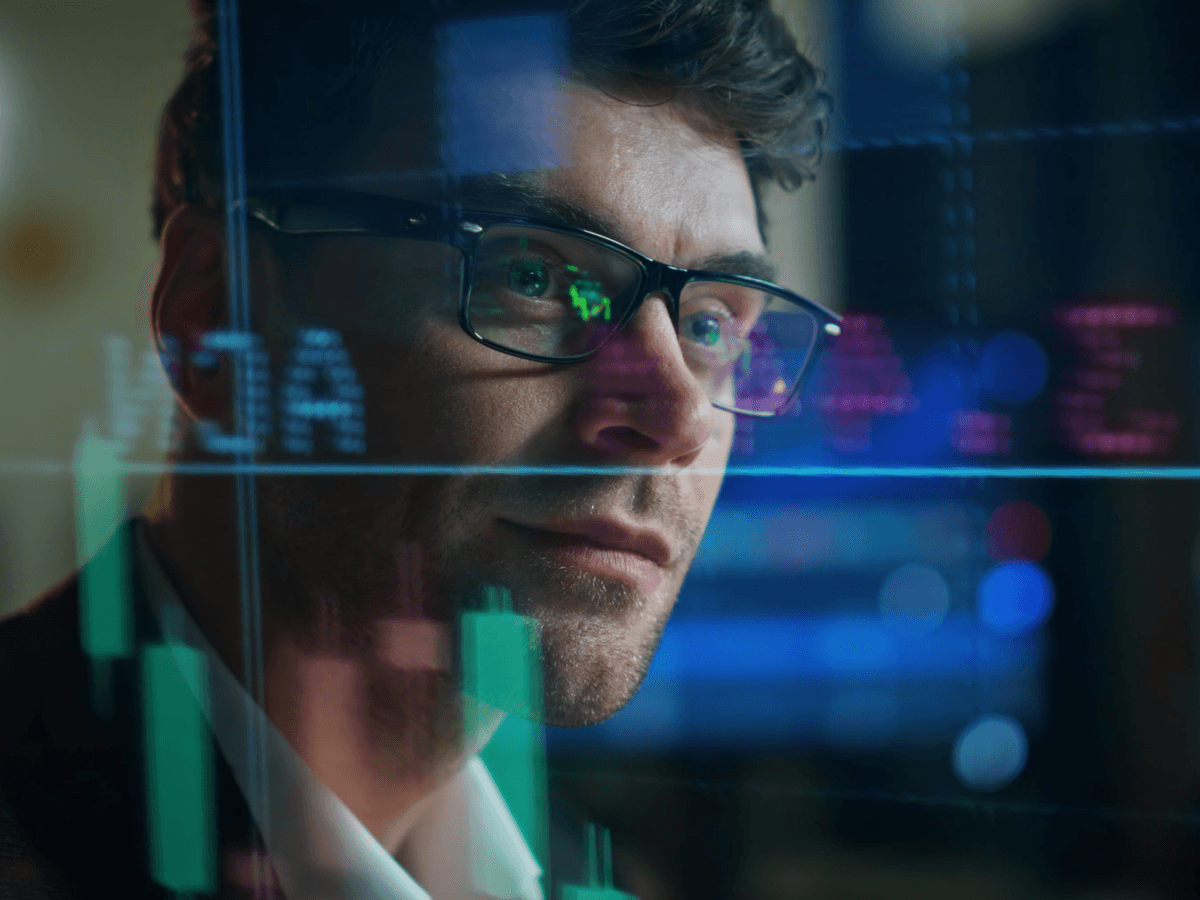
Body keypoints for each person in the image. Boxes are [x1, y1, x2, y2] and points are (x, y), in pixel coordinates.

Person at [0, 1, 834, 897]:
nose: (676, 419)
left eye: (710, 323)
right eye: (532, 275)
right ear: (216, 319)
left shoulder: (588, 874)